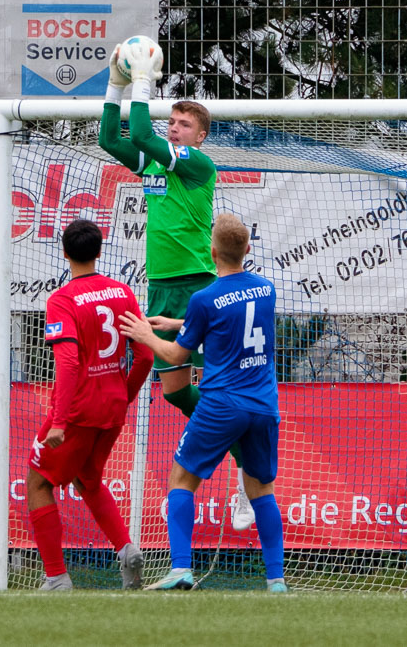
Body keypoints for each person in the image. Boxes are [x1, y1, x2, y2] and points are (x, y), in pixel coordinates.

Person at [98, 40, 255, 531]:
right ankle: (235, 445)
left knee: (219, 387)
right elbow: (110, 138)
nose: (174, 127)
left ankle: (245, 476)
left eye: (184, 124)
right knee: (172, 392)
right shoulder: (153, 161)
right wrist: (116, 84)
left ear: (201, 136)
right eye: (173, 121)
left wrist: (141, 79)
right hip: (162, 286)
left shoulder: (196, 164)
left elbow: (140, 130)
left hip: (198, 285)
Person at [118, 214, 286, 592]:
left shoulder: (204, 298)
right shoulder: (266, 289)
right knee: (262, 488)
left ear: (211, 252)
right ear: (247, 249)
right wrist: (178, 322)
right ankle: (276, 580)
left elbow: (177, 357)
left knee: (181, 478)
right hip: (263, 406)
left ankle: (181, 568)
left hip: (222, 404)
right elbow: (231, 317)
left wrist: (146, 333)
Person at [26, 219, 154, 591]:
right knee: (89, 479)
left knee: (37, 483)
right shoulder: (122, 292)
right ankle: (127, 550)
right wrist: (123, 395)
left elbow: (66, 363)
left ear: (65, 253)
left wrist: (59, 422)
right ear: (100, 252)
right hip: (111, 408)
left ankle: (56, 578)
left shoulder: (62, 300)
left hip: (77, 412)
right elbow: (144, 356)